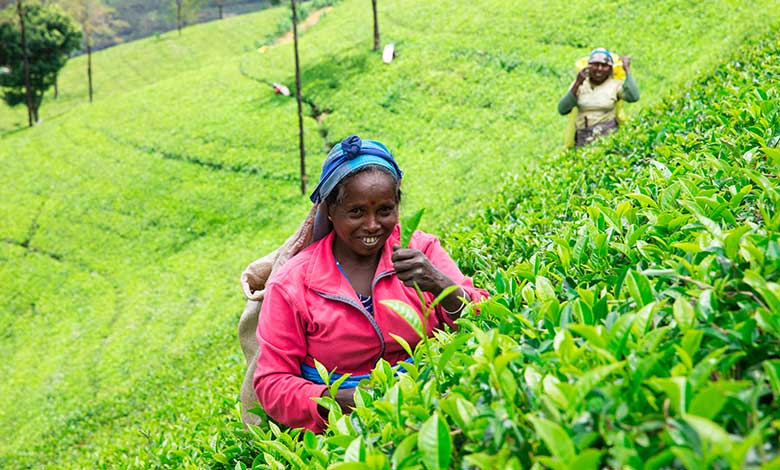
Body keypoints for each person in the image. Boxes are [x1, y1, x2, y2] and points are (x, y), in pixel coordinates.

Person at [253, 135, 488, 433]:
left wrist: (441, 285)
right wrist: (344, 400)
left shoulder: (421, 250)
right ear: (329, 211)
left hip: (433, 399)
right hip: (344, 426)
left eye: (385, 210)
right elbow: (272, 383)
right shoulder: (292, 284)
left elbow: (485, 319)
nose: (373, 225)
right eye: (356, 212)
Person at [558, 48, 640, 147]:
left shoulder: (615, 85)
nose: (599, 69)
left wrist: (626, 70)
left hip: (608, 135)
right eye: (595, 64)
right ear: (588, 66)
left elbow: (634, 96)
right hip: (583, 137)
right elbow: (562, 109)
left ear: (610, 69)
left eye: (604, 66)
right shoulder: (580, 85)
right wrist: (577, 83)